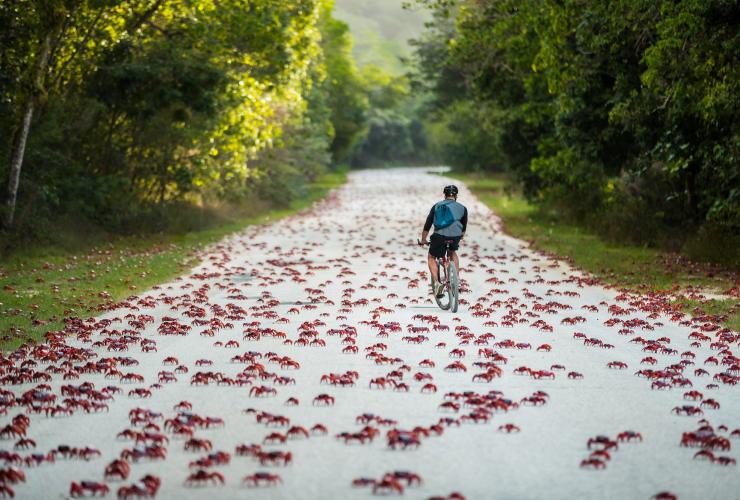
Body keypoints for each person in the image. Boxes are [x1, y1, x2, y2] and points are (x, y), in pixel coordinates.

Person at [419, 184, 467, 297]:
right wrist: (460, 237)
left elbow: (428, 224)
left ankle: (437, 284)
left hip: (439, 236)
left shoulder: (436, 206)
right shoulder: (463, 208)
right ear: (456, 196)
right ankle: (457, 281)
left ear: (444, 195)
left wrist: (423, 239)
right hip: (455, 237)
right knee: (452, 252)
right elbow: (463, 228)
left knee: (431, 257)